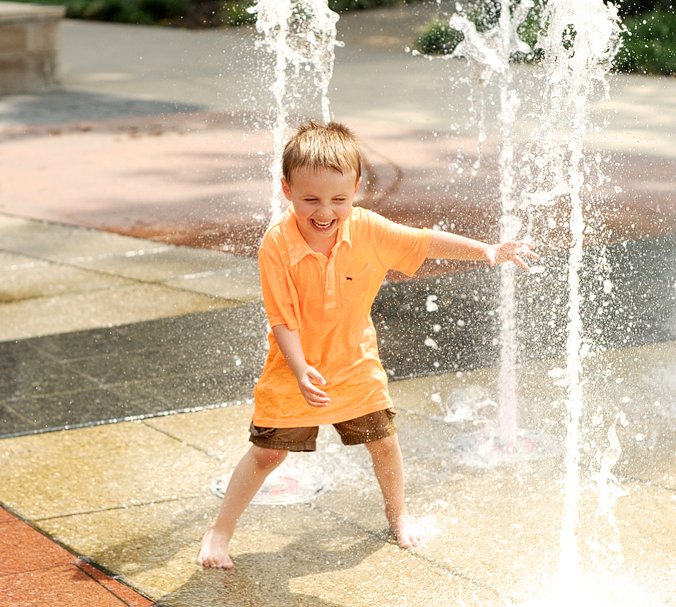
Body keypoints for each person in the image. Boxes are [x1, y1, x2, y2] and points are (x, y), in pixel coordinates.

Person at [198, 121, 537, 569]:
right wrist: (300, 370)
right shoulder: (276, 244)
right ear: (286, 190)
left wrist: (488, 251)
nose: (325, 211)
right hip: (292, 368)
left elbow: (422, 241)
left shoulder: (368, 229)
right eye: (310, 199)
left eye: (339, 199)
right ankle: (218, 532)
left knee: (383, 441)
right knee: (267, 453)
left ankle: (398, 515)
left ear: (356, 188)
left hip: (355, 363)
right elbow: (281, 318)